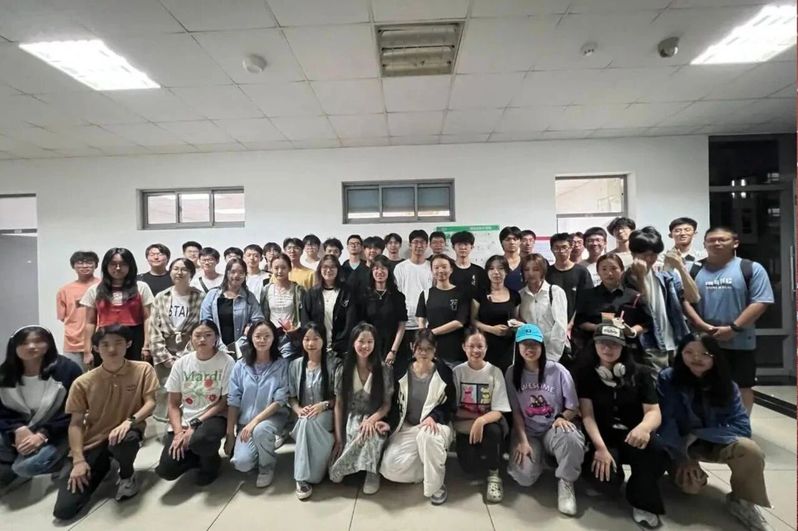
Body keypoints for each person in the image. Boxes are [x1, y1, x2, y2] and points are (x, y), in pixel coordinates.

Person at [657, 333, 772, 531]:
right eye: (689, 352)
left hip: (716, 442)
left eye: (704, 354)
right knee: (690, 487)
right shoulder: (668, 378)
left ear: (715, 357)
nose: (696, 358)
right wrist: (683, 457)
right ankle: (675, 470)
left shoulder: (728, 385)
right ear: (680, 354)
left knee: (750, 450)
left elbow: (742, 427)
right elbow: (667, 422)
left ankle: (742, 501)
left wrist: (697, 434)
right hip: (681, 445)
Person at [53, 325, 158, 520]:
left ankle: (126, 475)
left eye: (118, 343)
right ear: (95, 348)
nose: (112, 349)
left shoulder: (143, 369)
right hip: (93, 440)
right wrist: (78, 460)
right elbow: (75, 424)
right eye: (105, 344)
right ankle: (104, 465)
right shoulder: (83, 382)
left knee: (126, 440)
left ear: (128, 344)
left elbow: (150, 403)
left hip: (126, 433)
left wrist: (129, 421)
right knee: (64, 510)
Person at [576, 322, 666, 527]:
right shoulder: (586, 374)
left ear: (623, 346)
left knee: (657, 450)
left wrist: (644, 427)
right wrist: (600, 448)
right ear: (594, 345)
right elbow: (587, 416)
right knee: (604, 481)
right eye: (602, 343)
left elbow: (653, 412)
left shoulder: (641, 373)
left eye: (614, 344)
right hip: (604, 438)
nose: (607, 349)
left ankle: (642, 500)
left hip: (634, 434)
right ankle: (613, 480)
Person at [682, 227, 774, 414]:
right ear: (704, 244)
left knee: (742, 386)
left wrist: (734, 328)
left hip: (740, 342)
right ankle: (707, 424)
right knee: (702, 385)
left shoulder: (751, 268)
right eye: (711, 240)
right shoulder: (693, 270)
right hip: (703, 342)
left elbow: (760, 302)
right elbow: (685, 301)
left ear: (735, 243)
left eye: (722, 239)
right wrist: (702, 326)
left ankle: (741, 424)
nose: (716, 243)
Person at [506, 324, 584, 516]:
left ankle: (566, 482)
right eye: (525, 344)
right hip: (528, 432)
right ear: (518, 347)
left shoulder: (558, 370)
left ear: (542, 346)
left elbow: (573, 406)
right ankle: (541, 459)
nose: (530, 349)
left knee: (570, 436)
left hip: (553, 428)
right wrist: (523, 441)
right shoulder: (511, 373)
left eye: (534, 344)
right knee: (524, 477)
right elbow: (516, 413)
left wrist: (562, 417)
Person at [380, 330, 456, 505]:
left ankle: (436, 486)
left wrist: (434, 416)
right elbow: (394, 404)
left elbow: (450, 406)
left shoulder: (444, 373)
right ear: (412, 348)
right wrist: (389, 424)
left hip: (436, 426)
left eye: (428, 349)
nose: (423, 353)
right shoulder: (401, 371)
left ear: (435, 350)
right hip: (409, 427)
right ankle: (431, 469)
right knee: (389, 468)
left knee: (427, 437)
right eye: (420, 348)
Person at [0, 326, 82, 485]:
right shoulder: (4, 375)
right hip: (21, 430)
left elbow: (75, 410)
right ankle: (11, 466)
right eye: (24, 343)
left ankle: (66, 460)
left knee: (25, 467)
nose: (31, 346)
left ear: (49, 343)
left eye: (38, 341)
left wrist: (42, 435)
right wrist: (17, 428)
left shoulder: (67, 370)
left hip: (60, 431)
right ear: (13, 347)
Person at [156, 320, 234, 486]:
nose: (202, 339)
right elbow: (173, 404)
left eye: (208, 335)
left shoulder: (226, 361)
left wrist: (195, 424)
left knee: (202, 439)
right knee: (166, 470)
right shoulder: (181, 363)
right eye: (197, 335)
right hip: (186, 418)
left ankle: (210, 464)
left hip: (214, 416)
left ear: (216, 338)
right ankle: (196, 455)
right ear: (190, 338)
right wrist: (179, 432)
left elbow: (224, 402)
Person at [328, 323, 393, 495]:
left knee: (371, 433)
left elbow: (386, 404)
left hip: (375, 417)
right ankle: (348, 464)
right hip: (351, 416)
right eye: (361, 341)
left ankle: (372, 472)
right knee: (354, 433)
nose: (365, 346)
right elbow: (339, 405)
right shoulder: (343, 369)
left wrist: (372, 420)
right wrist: (339, 437)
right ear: (353, 342)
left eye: (370, 342)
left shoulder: (384, 370)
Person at [225, 321, 289, 488]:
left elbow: (280, 400)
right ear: (251, 338)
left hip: (272, 418)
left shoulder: (281, 364)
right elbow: (233, 399)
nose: (262, 340)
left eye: (267, 336)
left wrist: (255, 422)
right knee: (241, 463)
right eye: (258, 336)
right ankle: (259, 451)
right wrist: (230, 433)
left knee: (261, 430)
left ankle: (267, 467)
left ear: (274, 339)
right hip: (245, 422)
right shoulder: (240, 365)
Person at [627, 227, 698, 372]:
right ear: (633, 253)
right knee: (655, 383)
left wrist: (680, 267)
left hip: (676, 339)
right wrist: (640, 278)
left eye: (654, 254)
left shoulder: (664, 274)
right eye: (645, 254)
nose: (649, 259)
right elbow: (643, 306)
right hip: (650, 343)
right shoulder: (626, 276)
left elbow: (694, 297)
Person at [452, 328, 511, 503]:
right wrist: (475, 418)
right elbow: (454, 408)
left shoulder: (495, 372)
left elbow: (498, 410)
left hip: (488, 424)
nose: (476, 350)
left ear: (486, 348)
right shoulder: (457, 372)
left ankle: (494, 475)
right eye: (471, 346)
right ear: (464, 347)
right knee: (469, 467)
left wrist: (481, 420)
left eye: (480, 346)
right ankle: (480, 456)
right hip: (464, 426)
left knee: (493, 431)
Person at [149, 258, 204, 423]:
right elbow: (154, 328)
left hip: (190, 348)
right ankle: (165, 425)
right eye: (175, 268)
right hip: (165, 348)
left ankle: (188, 422)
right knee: (165, 388)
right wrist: (164, 357)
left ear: (191, 273)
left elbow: (202, 327)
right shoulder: (161, 296)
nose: (179, 272)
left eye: (184, 269)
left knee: (190, 387)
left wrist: (187, 355)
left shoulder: (200, 297)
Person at [288, 323, 338, 500]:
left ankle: (303, 477)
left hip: (327, 414)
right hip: (304, 416)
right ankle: (302, 477)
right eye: (307, 339)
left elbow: (339, 398)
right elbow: (291, 397)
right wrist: (299, 410)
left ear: (324, 340)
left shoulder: (333, 364)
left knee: (307, 422)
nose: (311, 343)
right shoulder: (295, 365)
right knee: (305, 421)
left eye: (316, 339)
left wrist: (322, 405)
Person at [80, 248, 154, 366]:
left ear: (130, 266)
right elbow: (90, 322)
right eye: (113, 264)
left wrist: (147, 345)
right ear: (106, 266)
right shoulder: (95, 290)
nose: (118, 268)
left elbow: (148, 318)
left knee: (135, 373)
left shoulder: (141, 287)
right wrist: (87, 351)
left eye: (123, 264)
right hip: (105, 338)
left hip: (135, 339)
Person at [574, 254, 651, 360]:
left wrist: (632, 331)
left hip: (628, 349)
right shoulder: (588, 296)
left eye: (614, 268)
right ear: (598, 272)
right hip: (594, 349)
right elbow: (580, 321)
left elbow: (647, 323)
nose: (609, 273)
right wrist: (598, 327)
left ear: (622, 270)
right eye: (604, 269)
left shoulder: (635, 296)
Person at [200, 257, 264, 352]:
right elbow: (205, 321)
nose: (236, 275)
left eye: (241, 272)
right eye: (233, 272)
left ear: (245, 275)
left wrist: (249, 328)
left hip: (242, 348)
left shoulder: (249, 297)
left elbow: (258, 320)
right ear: (227, 273)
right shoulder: (213, 295)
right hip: (214, 347)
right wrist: (219, 344)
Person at [357, 255, 407, 373]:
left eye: (383, 268)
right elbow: (360, 325)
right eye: (376, 268)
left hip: (393, 346)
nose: (380, 272)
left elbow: (402, 324)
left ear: (389, 271)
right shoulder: (364, 296)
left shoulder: (397, 296)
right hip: (370, 347)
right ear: (371, 272)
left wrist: (393, 351)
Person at [416, 255, 469, 368]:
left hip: (455, 352)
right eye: (436, 267)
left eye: (444, 267)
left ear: (451, 269)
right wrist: (423, 338)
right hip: (432, 352)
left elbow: (459, 322)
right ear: (432, 271)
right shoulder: (426, 294)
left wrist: (431, 332)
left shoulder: (461, 293)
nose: (440, 270)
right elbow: (421, 320)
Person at [301, 254, 357, 357]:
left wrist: (340, 343)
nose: (328, 270)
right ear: (320, 269)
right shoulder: (312, 293)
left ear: (338, 270)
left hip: (341, 348)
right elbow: (306, 321)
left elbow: (351, 322)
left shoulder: (347, 292)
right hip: (316, 346)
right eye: (325, 267)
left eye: (332, 267)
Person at [472, 255, 520, 373]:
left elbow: (516, 319)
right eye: (492, 268)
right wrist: (491, 329)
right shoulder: (479, 294)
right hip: (485, 345)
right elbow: (473, 320)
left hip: (508, 347)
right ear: (487, 272)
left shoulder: (515, 296)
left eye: (500, 268)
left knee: (506, 377)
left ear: (507, 271)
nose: (496, 272)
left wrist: (512, 328)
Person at [518, 254, 568, 362]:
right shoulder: (520, 295)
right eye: (526, 269)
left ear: (543, 271)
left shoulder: (555, 292)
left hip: (553, 352)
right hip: (529, 351)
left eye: (535, 269)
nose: (530, 273)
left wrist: (552, 356)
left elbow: (560, 326)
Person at [393, 230, 433, 365]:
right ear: (410, 245)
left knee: (423, 361)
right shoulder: (400, 268)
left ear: (427, 245)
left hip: (425, 323)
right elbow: (396, 294)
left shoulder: (431, 267)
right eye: (415, 242)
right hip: (404, 323)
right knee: (404, 363)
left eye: (422, 242)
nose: (419, 245)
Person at [56, 251, 99, 371]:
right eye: (80, 263)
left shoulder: (103, 286)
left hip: (99, 341)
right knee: (74, 377)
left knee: (101, 379)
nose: (84, 266)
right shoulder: (64, 290)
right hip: (73, 343)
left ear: (96, 265)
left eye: (89, 262)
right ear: (73, 266)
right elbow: (63, 317)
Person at [261, 253, 305, 359]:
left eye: (283, 268)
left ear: (289, 268)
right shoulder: (266, 289)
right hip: (271, 336)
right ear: (271, 269)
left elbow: (304, 314)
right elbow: (263, 313)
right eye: (276, 268)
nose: (280, 271)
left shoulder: (298, 290)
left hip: (291, 337)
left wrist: (296, 329)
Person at [545, 233, 593, 326]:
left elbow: (585, 300)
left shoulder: (581, 271)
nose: (561, 251)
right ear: (551, 249)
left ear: (571, 248)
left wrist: (571, 323)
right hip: (552, 323)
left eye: (564, 247)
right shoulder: (547, 272)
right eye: (557, 248)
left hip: (577, 324)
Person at [449, 230, 489, 304]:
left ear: (472, 247)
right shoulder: (448, 270)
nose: (463, 247)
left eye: (466, 244)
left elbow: (483, 295)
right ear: (453, 247)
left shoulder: (479, 271)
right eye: (459, 244)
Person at [499, 226, 524, 292]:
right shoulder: (497, 263)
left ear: (520, 242)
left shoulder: (526, 262)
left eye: (515, 239)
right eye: (508, 239)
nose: (512, 242)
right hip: (503, 297)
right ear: (502, 242)